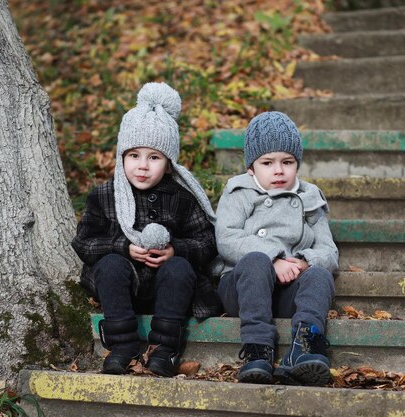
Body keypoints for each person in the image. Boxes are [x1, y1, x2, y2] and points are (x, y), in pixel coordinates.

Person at [72, 82, 219, 378]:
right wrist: (122, 247)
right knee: (110, 265)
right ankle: (122, 347)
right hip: (124, 287)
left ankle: (164, 350)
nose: (142, 166)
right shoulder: (105, 195)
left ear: (168, 164)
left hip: (170, 289)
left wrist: (176, 249)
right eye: (133, 155)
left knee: (179, 268)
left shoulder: (182, 197)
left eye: (154, 157)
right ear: (121, 157)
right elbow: (84, 243)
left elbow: (207, 242)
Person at [214, 111, 338, 386]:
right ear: (251, 168)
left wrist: (305, 261)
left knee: (320, 275)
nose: (278, 170)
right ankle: (258, 349)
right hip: (242, 287)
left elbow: (329, 251)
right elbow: (226, 238)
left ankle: (305, 346)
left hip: (285, 291)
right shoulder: (239, 192)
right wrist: (275, 258)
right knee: (256, 260)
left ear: (298, 164)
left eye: (287, 162)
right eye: (267, 162)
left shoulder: (309, 197)